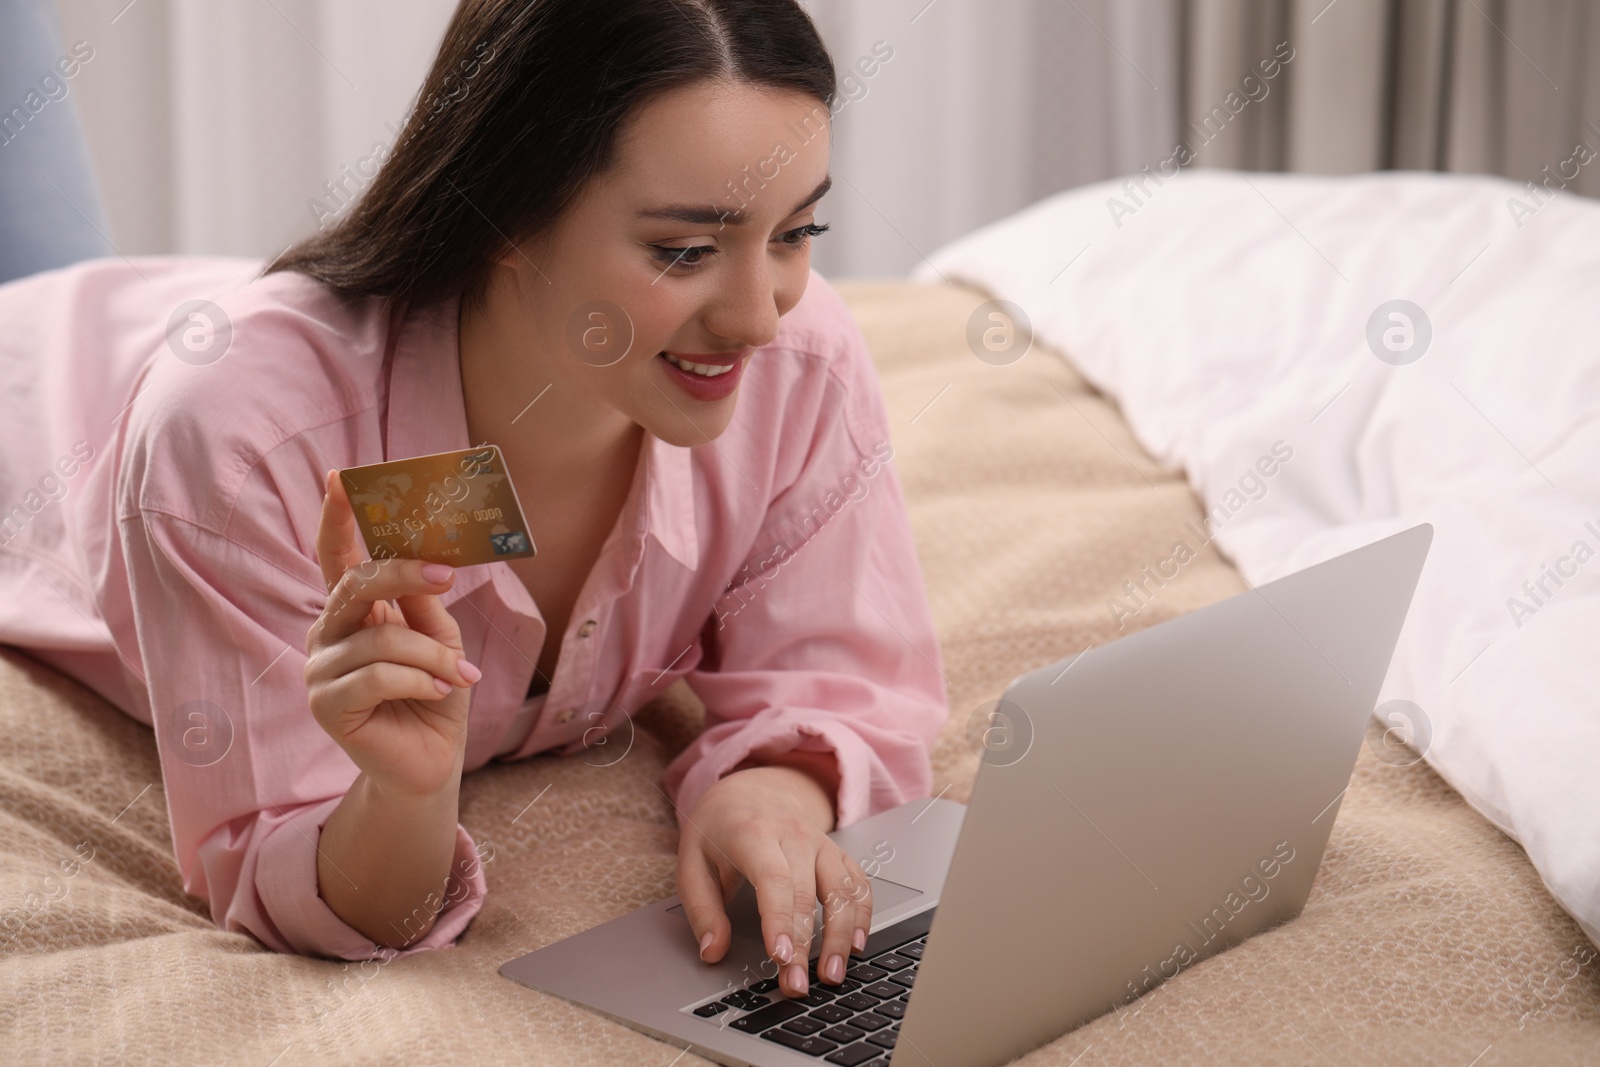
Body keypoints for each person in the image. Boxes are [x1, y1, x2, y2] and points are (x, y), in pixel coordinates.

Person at [0, 0, 946, 1001]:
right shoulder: (244, 438)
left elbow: (837, 679)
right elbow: (291, 871)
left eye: (797, 232)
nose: (760, 317)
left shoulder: (801, 366)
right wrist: (405, 799)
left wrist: (774, 789)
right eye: (684, 251)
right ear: (505, 214)